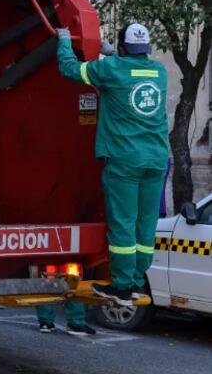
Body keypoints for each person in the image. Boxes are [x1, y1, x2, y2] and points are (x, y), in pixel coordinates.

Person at [56, 23, 168, 306]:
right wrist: (111, 54)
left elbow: (70, 69)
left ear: (121, 47)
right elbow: (130, 68)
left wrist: (64, 40)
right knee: (145, 225)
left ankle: (121, 286)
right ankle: (136, 281)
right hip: (156, 160)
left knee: (123, 225)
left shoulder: (112, 70)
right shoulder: (160, 72)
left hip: (125, 160)